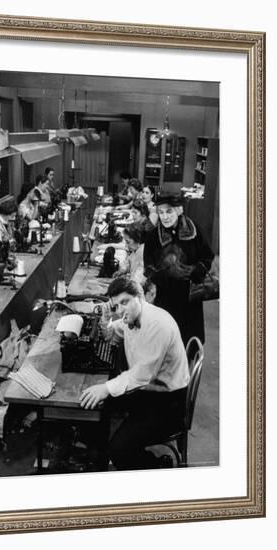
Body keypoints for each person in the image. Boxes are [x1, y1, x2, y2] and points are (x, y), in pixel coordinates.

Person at [80, 277, 190, 470]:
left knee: (119, 449)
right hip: (149, 390)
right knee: (96, 405)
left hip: (168, 403)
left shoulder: (157, 325)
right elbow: (112, 335)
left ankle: (157, 466)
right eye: (116, 305)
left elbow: (141, 375)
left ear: (140, 297)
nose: (121, 310)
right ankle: (99, 456)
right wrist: (106, 320)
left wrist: (105, 387)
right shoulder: (130, 316)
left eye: (125, 302)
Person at [143, 193, 214, 344]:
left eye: (169, 211)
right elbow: (148, 265)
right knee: (166, 340)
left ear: (179, 210)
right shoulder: (153, 236)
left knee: (189, 340)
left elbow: (207, 256)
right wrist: (163, 276)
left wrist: (197, 271)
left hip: (191, 295)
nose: (165, 217)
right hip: (166, 296)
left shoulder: (195, 230)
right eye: (160, 212)